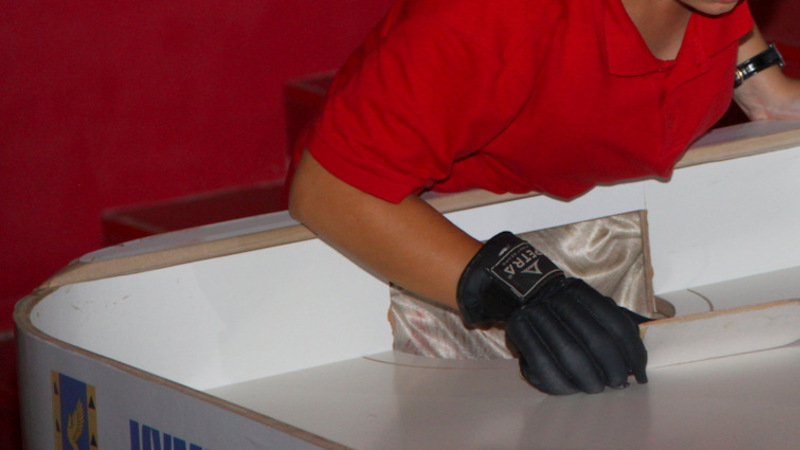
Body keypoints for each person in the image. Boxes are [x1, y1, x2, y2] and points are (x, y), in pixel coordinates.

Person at [287, 0, 800, 395]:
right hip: (431, 286)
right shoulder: (491, 12)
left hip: (590, 247)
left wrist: (759, 81)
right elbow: (327, 190)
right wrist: (525, 289)